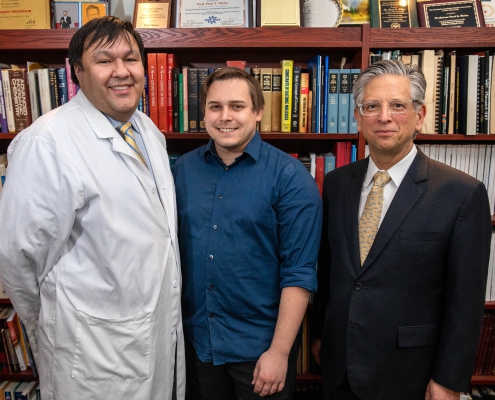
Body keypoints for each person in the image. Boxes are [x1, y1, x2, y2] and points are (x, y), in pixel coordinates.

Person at [0, 16, 184, 400]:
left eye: (131, 59)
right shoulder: (48, 142)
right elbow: (18, 259)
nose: (122, 71)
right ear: (77, 73)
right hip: (91, 354)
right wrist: (53, 322)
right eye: (104, 60)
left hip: (151, 339)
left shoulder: (147, 131)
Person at [311, 59, 492, 400]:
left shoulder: (461, 193)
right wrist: (321, 336)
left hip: (411, 375)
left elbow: (466, 302)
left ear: (419, 115)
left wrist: (449, 381)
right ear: (357, 116)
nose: (384, 116)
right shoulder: (337, 184)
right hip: (339, 369)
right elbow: (329, 269)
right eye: (372, 106)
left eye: (397, 105)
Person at [172, 67, 322, 399]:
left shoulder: (290, 177)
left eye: (237, 106)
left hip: (259, 352)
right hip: (198, 345)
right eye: (215, 107)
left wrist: (279, 354)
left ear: (257, 112)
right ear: (205, 112)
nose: (225, 117)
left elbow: (299, 273)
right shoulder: (183, 169)